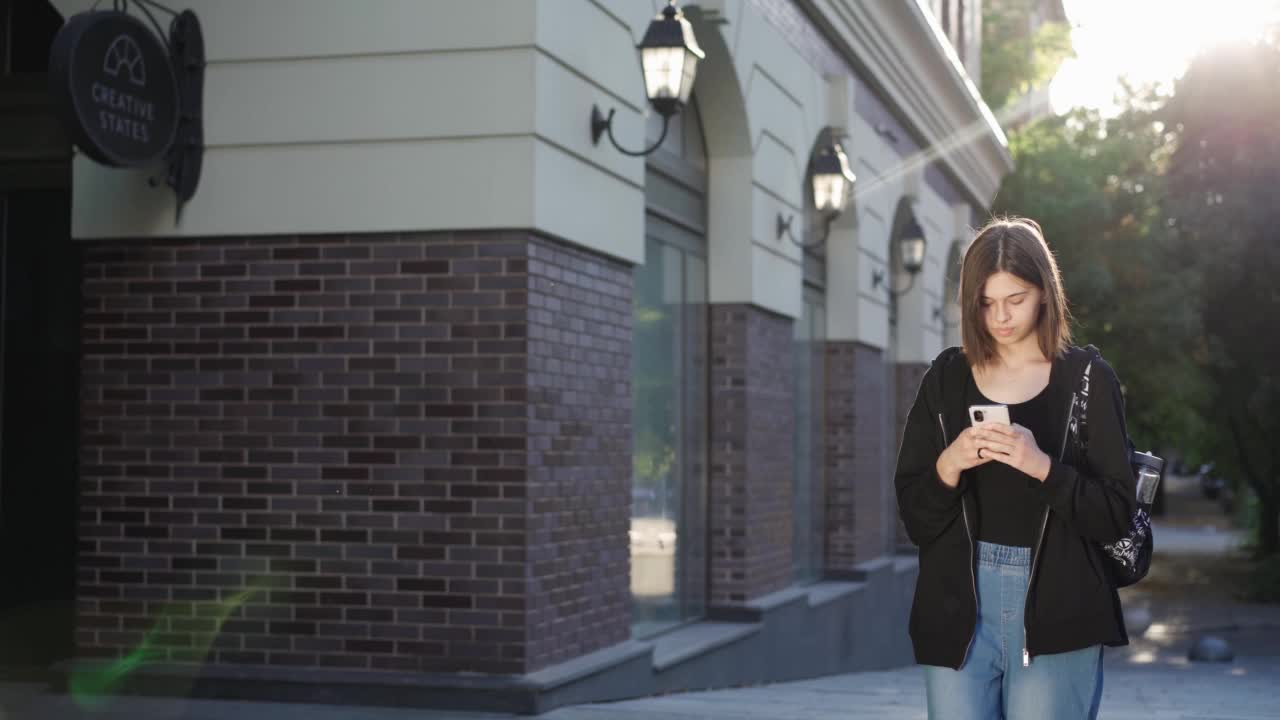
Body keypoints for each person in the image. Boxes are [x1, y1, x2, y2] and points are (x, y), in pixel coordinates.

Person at [894, 217, 1137, 720]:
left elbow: (1116, 512)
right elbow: (915, 518)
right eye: (986, 303)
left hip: (1061, 605)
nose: (1000, 317)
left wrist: (1043, 467)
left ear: (1045, 294)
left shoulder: (1087, 381)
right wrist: (949, 462)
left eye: (1016, 299)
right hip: (958, 605)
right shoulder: (946, 379)